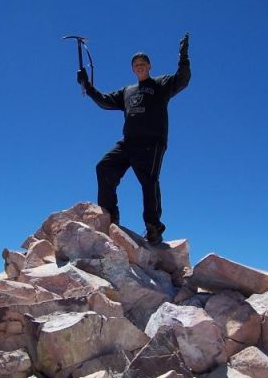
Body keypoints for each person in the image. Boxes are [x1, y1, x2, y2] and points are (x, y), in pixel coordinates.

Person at [77, 33, 191, 245]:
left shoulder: (161, 84)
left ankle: (153, 228)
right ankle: (110, 217)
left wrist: (183, 57)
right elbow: (104, 101)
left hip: (151, 143)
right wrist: (87, 86)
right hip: (128, 142)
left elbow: (182, 80)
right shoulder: (127, 91)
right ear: (132, 69)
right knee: (104, 167)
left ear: (149, 66)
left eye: (142, 63)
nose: (139, 66)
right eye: (135, 64)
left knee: (148, 182)